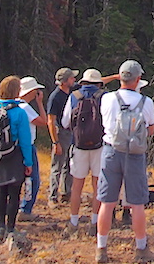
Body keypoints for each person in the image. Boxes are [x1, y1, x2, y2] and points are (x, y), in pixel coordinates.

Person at [96, 60, 154, 263]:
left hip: (111, 151)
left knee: (107, 201)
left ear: (120, 77)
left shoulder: (107, 99)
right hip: (135, 155)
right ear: (138, 79)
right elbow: (151, 129)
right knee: (137, 203)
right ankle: (140, 249)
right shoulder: (146, 102)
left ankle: (101, 248)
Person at [61, 69, 107, 238]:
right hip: (99, 146)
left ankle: (73, 222)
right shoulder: (104, 96)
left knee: (77, 186)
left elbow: (65, 122)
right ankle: (95, 222)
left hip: (79, 146)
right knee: (97, 186)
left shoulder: (74, 96)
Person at [0, 76, 34, 241]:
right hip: (14, 155)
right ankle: (11, 228)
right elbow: (25, 140)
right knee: (14, 193)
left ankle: (0, 226)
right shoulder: (19, 112)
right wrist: (28, 162)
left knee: (1, 191)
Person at [46, 68, 78, 206]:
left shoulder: (71, 91)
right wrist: (55, 142)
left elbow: (94, 83)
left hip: (70, 133)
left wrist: (114, 77)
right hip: (61, 133)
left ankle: (66, 193)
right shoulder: (55, 97)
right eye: (72, 78)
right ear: (65, 82)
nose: (74, 80)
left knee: (69, 165)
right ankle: (52, 196)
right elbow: (50, 121)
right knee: (57, 166)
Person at [16, 76, 47, 221]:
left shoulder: (14, 104)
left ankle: (15, 208)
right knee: (33, 179)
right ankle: (25, 209)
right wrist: (40, 104)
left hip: (13, 147)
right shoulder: (25, 107)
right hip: (27, 146)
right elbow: (43, 122)